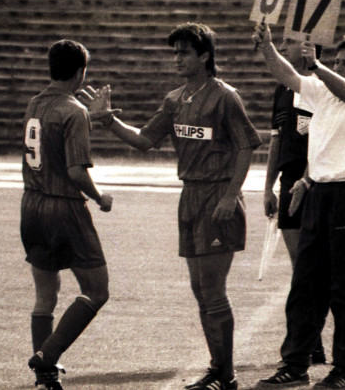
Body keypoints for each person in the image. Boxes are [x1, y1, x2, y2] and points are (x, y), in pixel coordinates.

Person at [85, 22, 261, 390]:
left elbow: (246, 145)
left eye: (184, 52)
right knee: (200, 290)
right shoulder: (175, 99)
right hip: (190, 197)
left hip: (217, 196)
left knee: (212, 290)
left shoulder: (225, 96)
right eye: (175, 52)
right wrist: (108, 120)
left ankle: (225, 377)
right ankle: (218, 369)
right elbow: (145, 140)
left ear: (205, 56)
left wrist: (231, 195)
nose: (177, 58)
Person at [253, 24, 345, 388]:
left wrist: (320, 68)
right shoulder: (321, 93)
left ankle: (344, 369)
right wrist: (267, 47)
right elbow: (287, 74)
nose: (339, 66)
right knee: (305, 285)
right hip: (317, 195)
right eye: (337, 60)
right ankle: (295, 364)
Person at [21, 39, 114, 390]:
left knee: (45, 295)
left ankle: (45, 379)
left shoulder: (34, 103)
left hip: (31, 205)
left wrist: (92, 117)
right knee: (97, 290)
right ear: (80, 73)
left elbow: (52, 133)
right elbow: (76, 172)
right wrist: (100, 197)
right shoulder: (73, 111)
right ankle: (47, 355)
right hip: (64, 208)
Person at [263, 36, 327, 365]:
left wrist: (305, 179)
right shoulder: (282, 90)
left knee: (309, 268)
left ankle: (309, 343)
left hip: (312, 183)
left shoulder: (320, 89)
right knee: (300, 268)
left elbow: (319, 141)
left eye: (290, 42)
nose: (284, 47)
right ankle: (310, 342)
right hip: (289, 182)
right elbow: (276, 142)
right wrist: (268, 187)